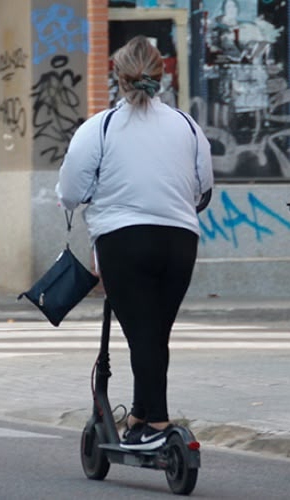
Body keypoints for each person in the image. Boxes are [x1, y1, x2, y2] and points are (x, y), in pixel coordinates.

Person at [56, 36, 214, 451]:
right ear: (161, 76)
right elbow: (204, 189)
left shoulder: (101, 127)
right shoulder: (187, 125)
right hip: (180, 240)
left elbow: (70, 189)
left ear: (117, 77)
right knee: (154, 331)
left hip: (123, 240)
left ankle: (159, 424)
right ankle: (142, 415)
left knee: (143, 332)